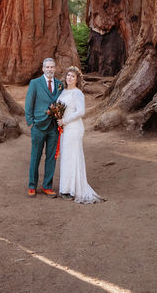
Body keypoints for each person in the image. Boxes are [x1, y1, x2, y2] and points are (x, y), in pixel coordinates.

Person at [56, 66, 103, 204]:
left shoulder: (77, 93)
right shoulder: (63, 91)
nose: (69, 78)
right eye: (68, 75)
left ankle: (72, 189)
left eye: (73, 76)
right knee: (65, 157)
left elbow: (81, 112)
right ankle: (65, 188)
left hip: (74, 128)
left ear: (77, 79)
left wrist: (65, 120)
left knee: (72, 156)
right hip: (65, 128)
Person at [24, 57, 63, 197]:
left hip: (53, 127)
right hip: (38, 126)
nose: (50, 69)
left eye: (52, 67)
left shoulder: (60, 85)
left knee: (51, 157)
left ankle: (47, 186)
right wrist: (31, 123)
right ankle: (32, 185)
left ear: (55, 68)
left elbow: (61, 104)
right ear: (43, 68)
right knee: (36, 156)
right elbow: (29, 103)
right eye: (47, 67)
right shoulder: (35, 83)